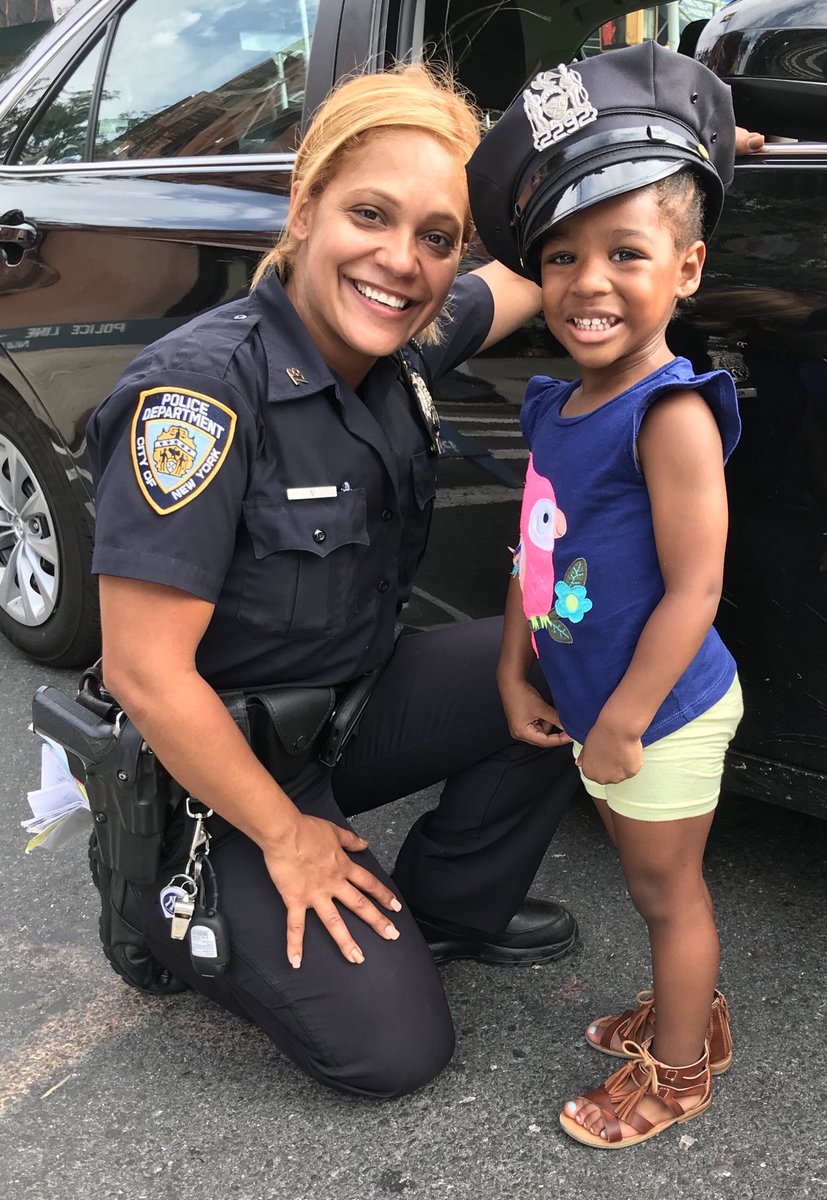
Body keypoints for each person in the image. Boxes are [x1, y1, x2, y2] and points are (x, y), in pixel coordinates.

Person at [85, 63, 581, 1101]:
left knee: (569, 654)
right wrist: (286, 839)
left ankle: (445, 911)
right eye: (369, 215)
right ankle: (164, 910)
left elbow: (541, 273)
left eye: (436, 237)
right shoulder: (198, 397)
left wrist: (663, 169)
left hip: (347, 710)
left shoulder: (400, 341)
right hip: (213, 768)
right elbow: (141, 670)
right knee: (392, 1053)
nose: (400, 262)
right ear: (304, 210)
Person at [467, 42, 744, 1147]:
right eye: (563, 255)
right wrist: (507, 661)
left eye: (625, 252)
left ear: (683, 268)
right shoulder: (554, 407)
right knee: (646, 884)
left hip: (661, 710)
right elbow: (531, 550)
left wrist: (623, 721)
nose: (588, 281)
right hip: (598, 703)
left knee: (665, 893)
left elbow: (698, 584)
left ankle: (677, 1070)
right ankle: (691, 1023)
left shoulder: (666, 413)